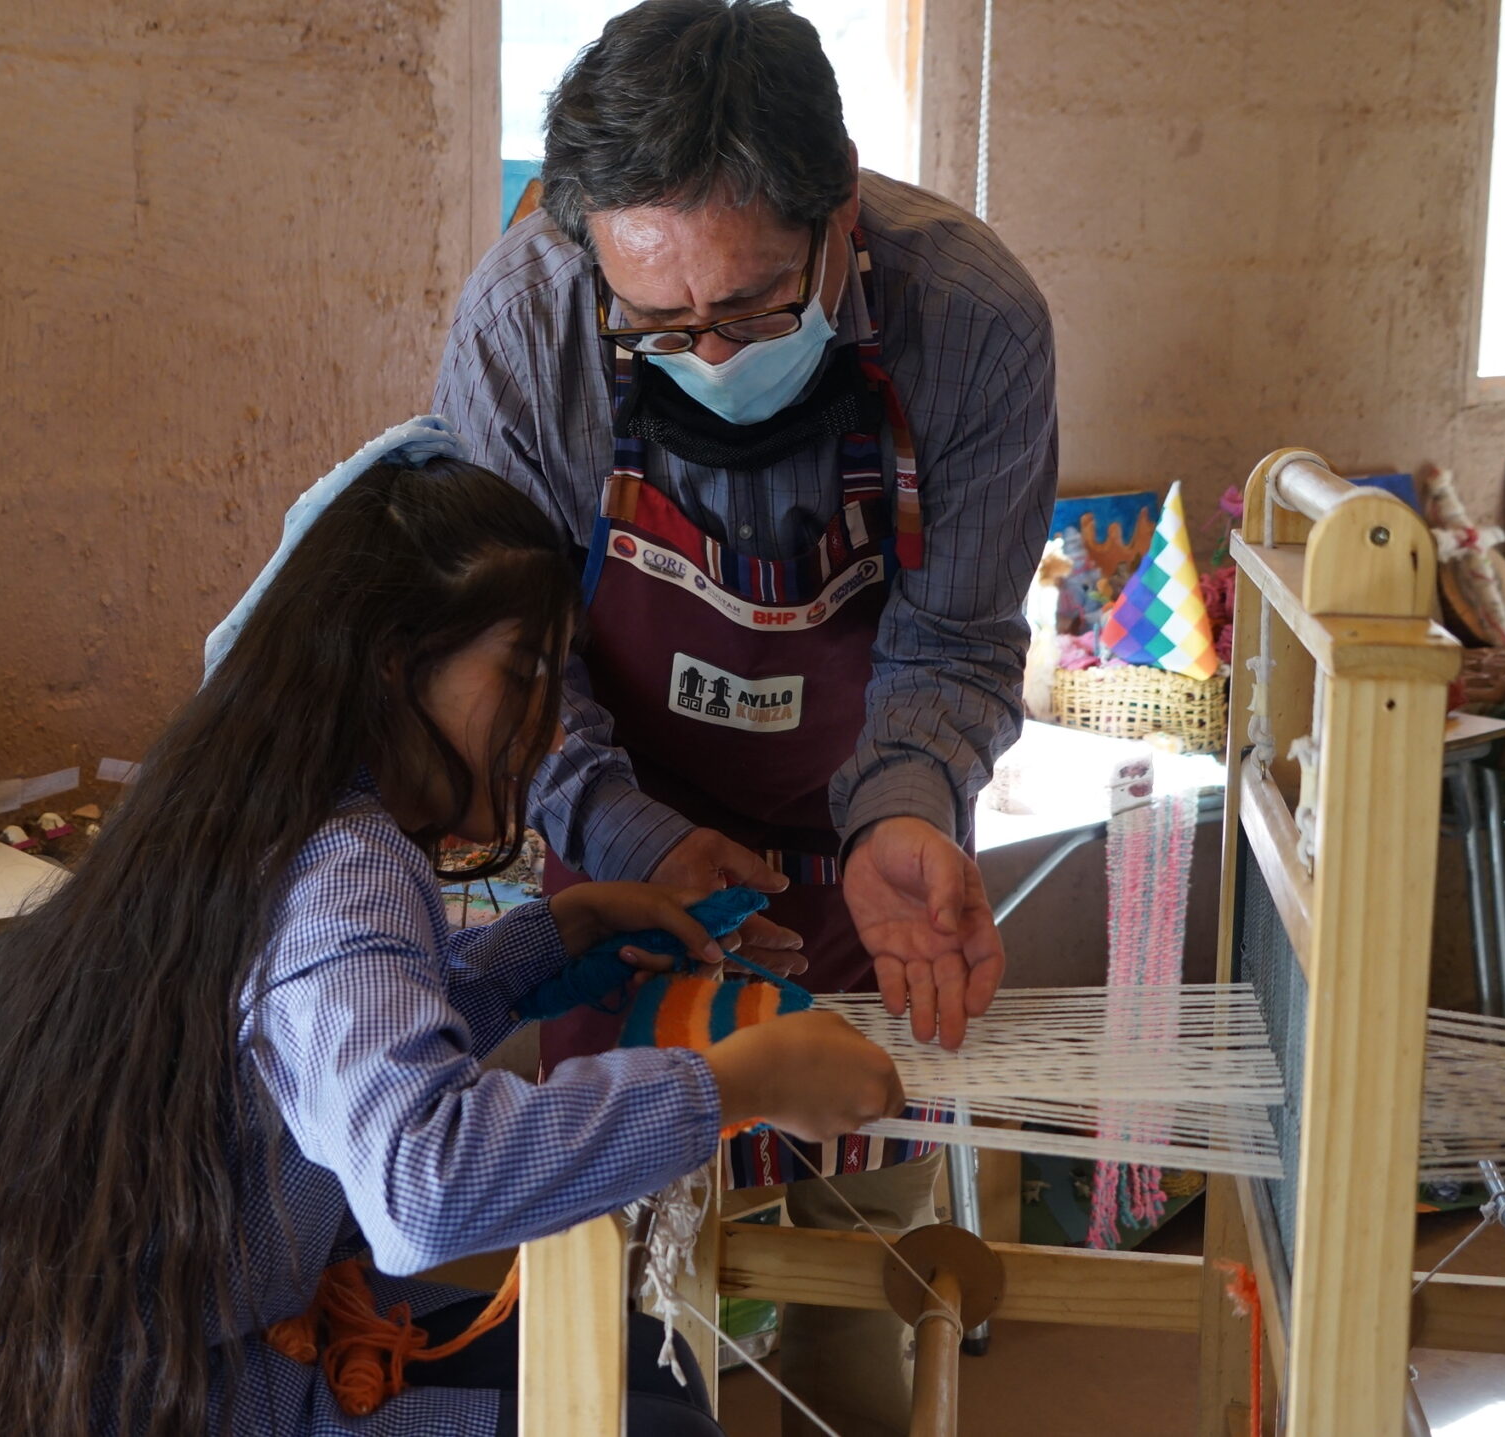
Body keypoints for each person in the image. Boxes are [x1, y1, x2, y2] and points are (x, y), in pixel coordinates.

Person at [0, 422, 905, 1436]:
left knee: (626, 1362)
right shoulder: (346, 861)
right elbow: (423, 1187)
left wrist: (554, 938)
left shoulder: (243, 807)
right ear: (394, 661)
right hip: (166, 1399)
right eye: (521, 672)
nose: (543, 724)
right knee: (646, 1414)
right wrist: (737, 1086)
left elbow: (321, 1057)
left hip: (65, 1371)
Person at [432, 2, 1057, 1430]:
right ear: (589, 251)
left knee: (860, 1250)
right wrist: (624, 829)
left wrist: (907, 809)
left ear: (840, 214)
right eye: (659, 324)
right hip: (624, 848)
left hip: (863, 866)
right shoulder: (528, 324)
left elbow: (955, 637)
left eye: (759, 309)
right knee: (635, 1281)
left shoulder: (972, 323)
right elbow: (513, 665)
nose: (710, 354)